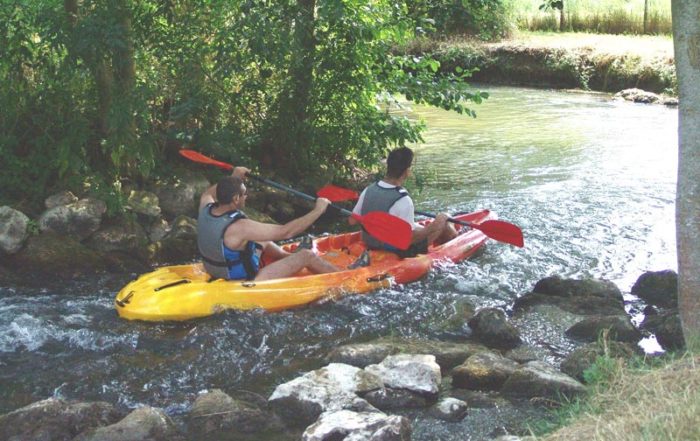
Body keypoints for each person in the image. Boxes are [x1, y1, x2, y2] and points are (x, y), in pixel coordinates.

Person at [197, 166, 341, 281]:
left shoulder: (206, 207)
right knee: (306, 255)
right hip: (246, 281)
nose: (246, 196)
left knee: (260, 237)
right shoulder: (240, 227)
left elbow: (208, 193)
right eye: (244, 194)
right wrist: (318, 210)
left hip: (215, 271)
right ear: (235, 198)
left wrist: (233, 177)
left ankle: (285, 256)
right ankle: (346, 276)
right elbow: (286, 232)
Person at [350, 147, 457, 257]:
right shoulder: (403, 199)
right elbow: (410, 239)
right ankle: (452, 242)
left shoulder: (369, 189)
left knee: (437, 224)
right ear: (407, 171)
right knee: (445, 218)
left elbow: (352, 220)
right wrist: (436, 224)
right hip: (393, 249)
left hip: (369, 241)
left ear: (388, 166)